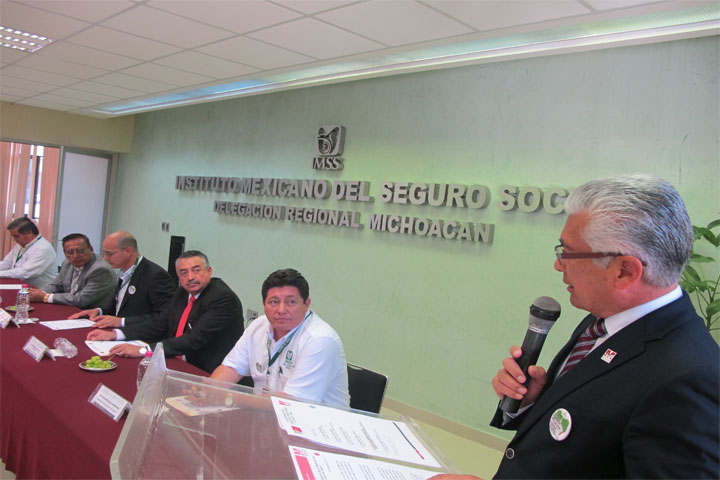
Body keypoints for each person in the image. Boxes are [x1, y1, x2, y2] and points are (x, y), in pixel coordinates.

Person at [434, 174, 720, 480]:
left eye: (568, 252)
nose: (559, 264)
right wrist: (537, 402)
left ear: (624, 271)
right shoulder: (605, 320)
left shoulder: (689, 379)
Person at [208, 268, 350, 409]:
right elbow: (231, 368)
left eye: (291, 302)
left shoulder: (320, 340)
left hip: (314, 420)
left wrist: (230, 398)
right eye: (274, 302)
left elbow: (291, 402)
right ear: (264, 304)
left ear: (306, 304)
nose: (281, 310)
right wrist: (208, 391)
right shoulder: (258, 326)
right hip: (266, 414)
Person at [86, 250, 244, 373]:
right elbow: (160, 324)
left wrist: (143, 350)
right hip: (177, 363)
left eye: (196, 270)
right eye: (184, 273)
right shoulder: (182, 292)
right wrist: (116, 334)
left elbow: (194, 339)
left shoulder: (222, 299)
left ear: (209, 271)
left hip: (209, 371)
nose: (190, 277)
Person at [69, 231, 175, 328]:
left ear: (128, 251)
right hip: (118, 331)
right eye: (104, 253)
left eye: (109, 254)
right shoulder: (124, 270)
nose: (105, 258)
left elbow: (164, 316)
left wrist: (123, 321)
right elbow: (120, 306)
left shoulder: (155, 275)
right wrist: (99, 311)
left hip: (140, 336)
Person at [28, 233, 117, 312]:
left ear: (91, 249)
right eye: (70, 252)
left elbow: (82, 299)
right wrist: (38, 293)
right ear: (64, 253)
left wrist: (46, 297)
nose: (75, 256)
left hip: (91, 315)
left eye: (80, 251)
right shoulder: (67, 263)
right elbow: (56, 285)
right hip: (70, 308)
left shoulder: (100, 270)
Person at [0, 217, 57, 290]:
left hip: (40, 291)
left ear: (30, 233)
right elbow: (7, 263)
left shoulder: (43, 248)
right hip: (21, 286)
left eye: (16, 236)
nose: (14, 240)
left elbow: (25, 273)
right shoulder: (20, 245)